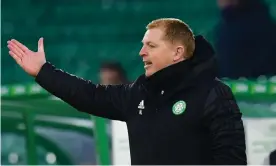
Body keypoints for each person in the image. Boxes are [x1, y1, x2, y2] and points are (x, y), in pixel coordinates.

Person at [7, 18, 247, 165]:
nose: (141, 52)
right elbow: (89, 95)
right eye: (143, 45)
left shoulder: (213, 94)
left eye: (151, 46)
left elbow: (232, 160)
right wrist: (43, 71)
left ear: (177, 52)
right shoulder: (138, 94)